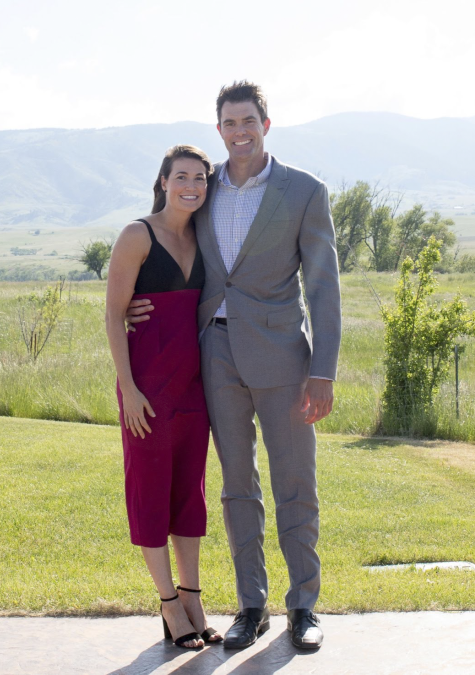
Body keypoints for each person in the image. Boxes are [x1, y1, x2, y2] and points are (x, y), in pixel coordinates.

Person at [127, 81, 341, 651]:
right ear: (219, 129)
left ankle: (304, 606)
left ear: (265, 125)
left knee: (295, 483)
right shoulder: (203, 187)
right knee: (236, 486)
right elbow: (160, 242)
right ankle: (252, 606)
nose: (239, 132)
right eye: (229, 123)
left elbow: (323, 286)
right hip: (214, 357)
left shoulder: (304, 191)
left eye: (248, 121)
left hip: (283, 358)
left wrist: (323, 370)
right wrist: (129, 304)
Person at [105, 144, 222, 650]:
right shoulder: (137, 235)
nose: (190, 185)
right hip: (147, 387)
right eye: (181, 176)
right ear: (163, 181)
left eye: (199, 177)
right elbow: (113, 316)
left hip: (194, 383)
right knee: (150, 491)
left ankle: (193, 597)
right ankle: (169, 604)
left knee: (190, 493)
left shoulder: (204, 235)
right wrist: (128, 389)